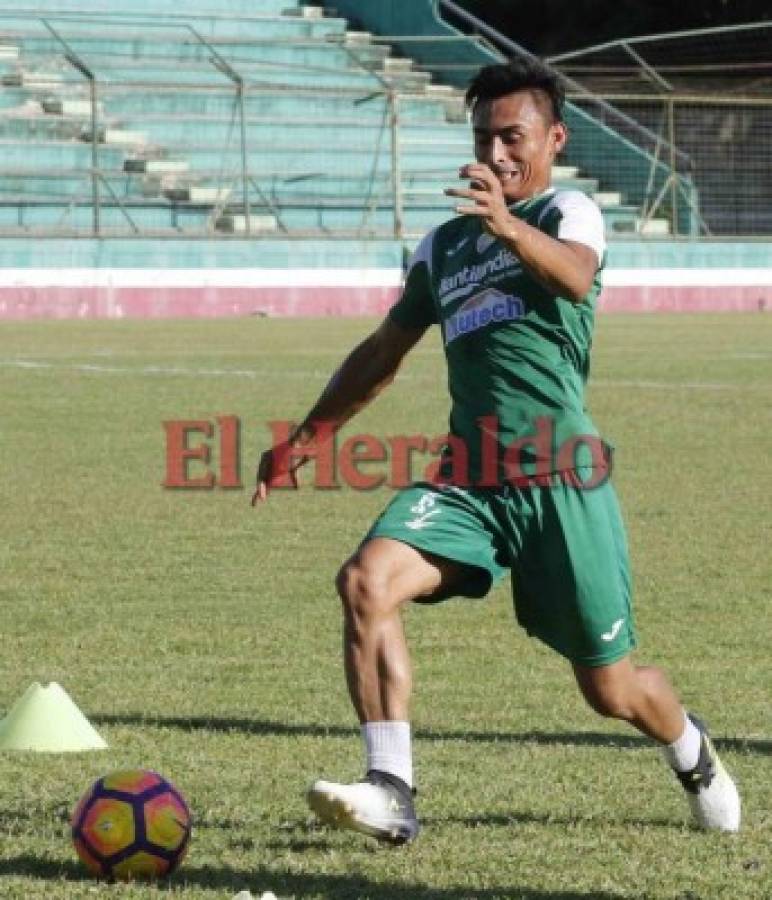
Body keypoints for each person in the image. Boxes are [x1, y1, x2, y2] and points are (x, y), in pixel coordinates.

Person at [252, 58, 740, 843]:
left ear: (554, 138)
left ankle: (691, 750)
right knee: (366, 580)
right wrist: (306, 437)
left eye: (512, 137)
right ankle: (392, 790)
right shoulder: (442, 248)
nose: (498, 154)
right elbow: (384, 349)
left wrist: (506, 227)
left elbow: (577, 280)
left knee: (611, 691)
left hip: (562, 480)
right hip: (470, 479)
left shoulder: (566, 212)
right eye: (484, 138)